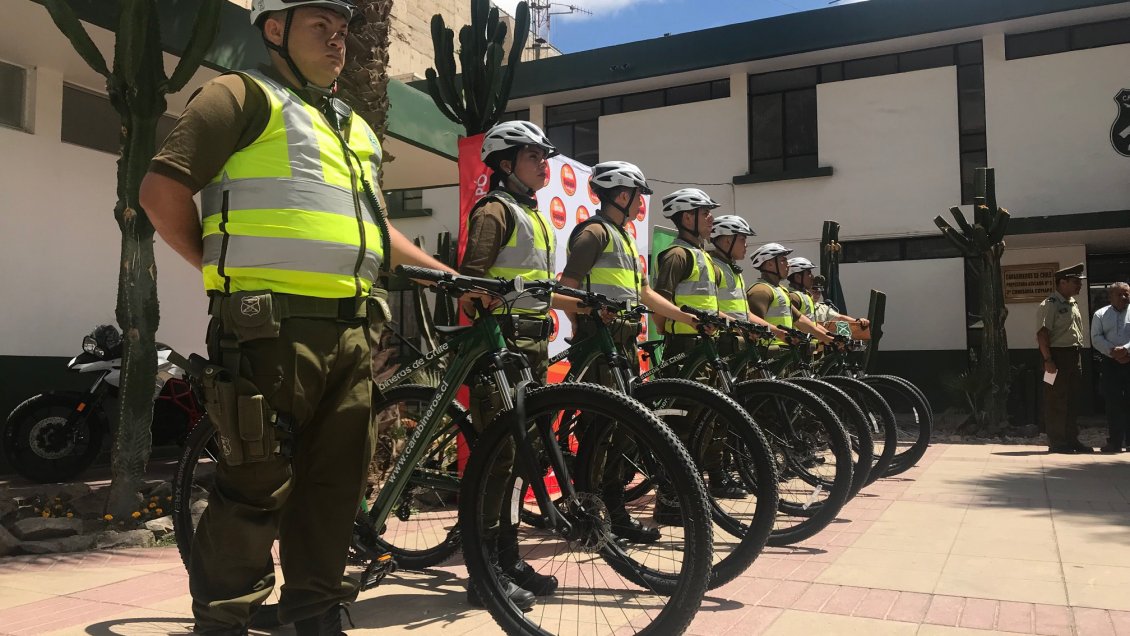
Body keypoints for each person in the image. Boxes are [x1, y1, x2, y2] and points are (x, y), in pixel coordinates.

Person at [139, 2, 461, 633]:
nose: (339, 39)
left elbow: (375, 228)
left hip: (353, 328)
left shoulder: (352, 126)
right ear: (275, 29)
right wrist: (220, 267)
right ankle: (225, 621)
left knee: (335, 489)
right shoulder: (239, 95)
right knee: (254, 486)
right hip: (269, 328)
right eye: (322, 26)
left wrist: (450, 279)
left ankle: (317, 615)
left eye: (343, 29)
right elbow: (160, 191)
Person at [558, 161, 698, 539]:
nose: (641, 204)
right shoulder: (594, 234)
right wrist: (585, 318)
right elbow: (566, 288)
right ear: (622, 195)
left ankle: (613, 509)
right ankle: (595, 512)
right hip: (599, 346)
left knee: (622, 430)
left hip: (622, 345)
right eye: (638, 197)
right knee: (601, 431)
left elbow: (645, 294)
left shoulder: (623, 237)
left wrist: (686, 317)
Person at [456, 120, 560, 608]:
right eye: (533, 155)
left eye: (545, 156)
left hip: (531, 351)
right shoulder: (495, 211)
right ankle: (484, 573)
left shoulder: (534, 215)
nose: (544, 163)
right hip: (501, 347)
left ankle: (508, 556)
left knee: (521, 459)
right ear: (504, 164)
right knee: (497, 459)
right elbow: (472, 283)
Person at [1036, 263, 1093, 454]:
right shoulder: (1050, 304)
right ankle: (1058, 442)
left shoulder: (1072, 303)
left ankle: (1071, 439)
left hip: (1073, 355)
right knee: (1056, 400)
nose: (1079, 285)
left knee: (1072, 399)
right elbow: (1042, 335)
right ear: (1062, 282)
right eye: (1075, 281)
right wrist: (1048, 360)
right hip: (1056, 356)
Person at [746, 244, 833, 347]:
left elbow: (800, 320)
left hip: (786, 353)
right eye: (783, 260)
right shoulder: (761, 291)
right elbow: (752, 327)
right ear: (769, 264)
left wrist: (828, 338)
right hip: (770, 354)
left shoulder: (780, 290)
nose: (788, 265)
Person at [1091, 282, 1130, 453]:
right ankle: (1114, 441)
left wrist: (1126, 350)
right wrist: (1112, 352)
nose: (1124, 297)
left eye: (1127, 294)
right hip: (1110, 363)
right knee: (1113, 403)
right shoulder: (1100, 314)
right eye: (1119, 294)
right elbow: (1096, 337)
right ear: (1110, 297)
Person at [785, 258, 869, 333]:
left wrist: (857, 321)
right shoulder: (792, 297)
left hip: (810, 347)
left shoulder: (805, 297)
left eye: (819, 292)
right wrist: (828, 337)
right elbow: (804, 323)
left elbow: (836, 318)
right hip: (795, 347)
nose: (812, 277)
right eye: (809, 273)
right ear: (797, 277)